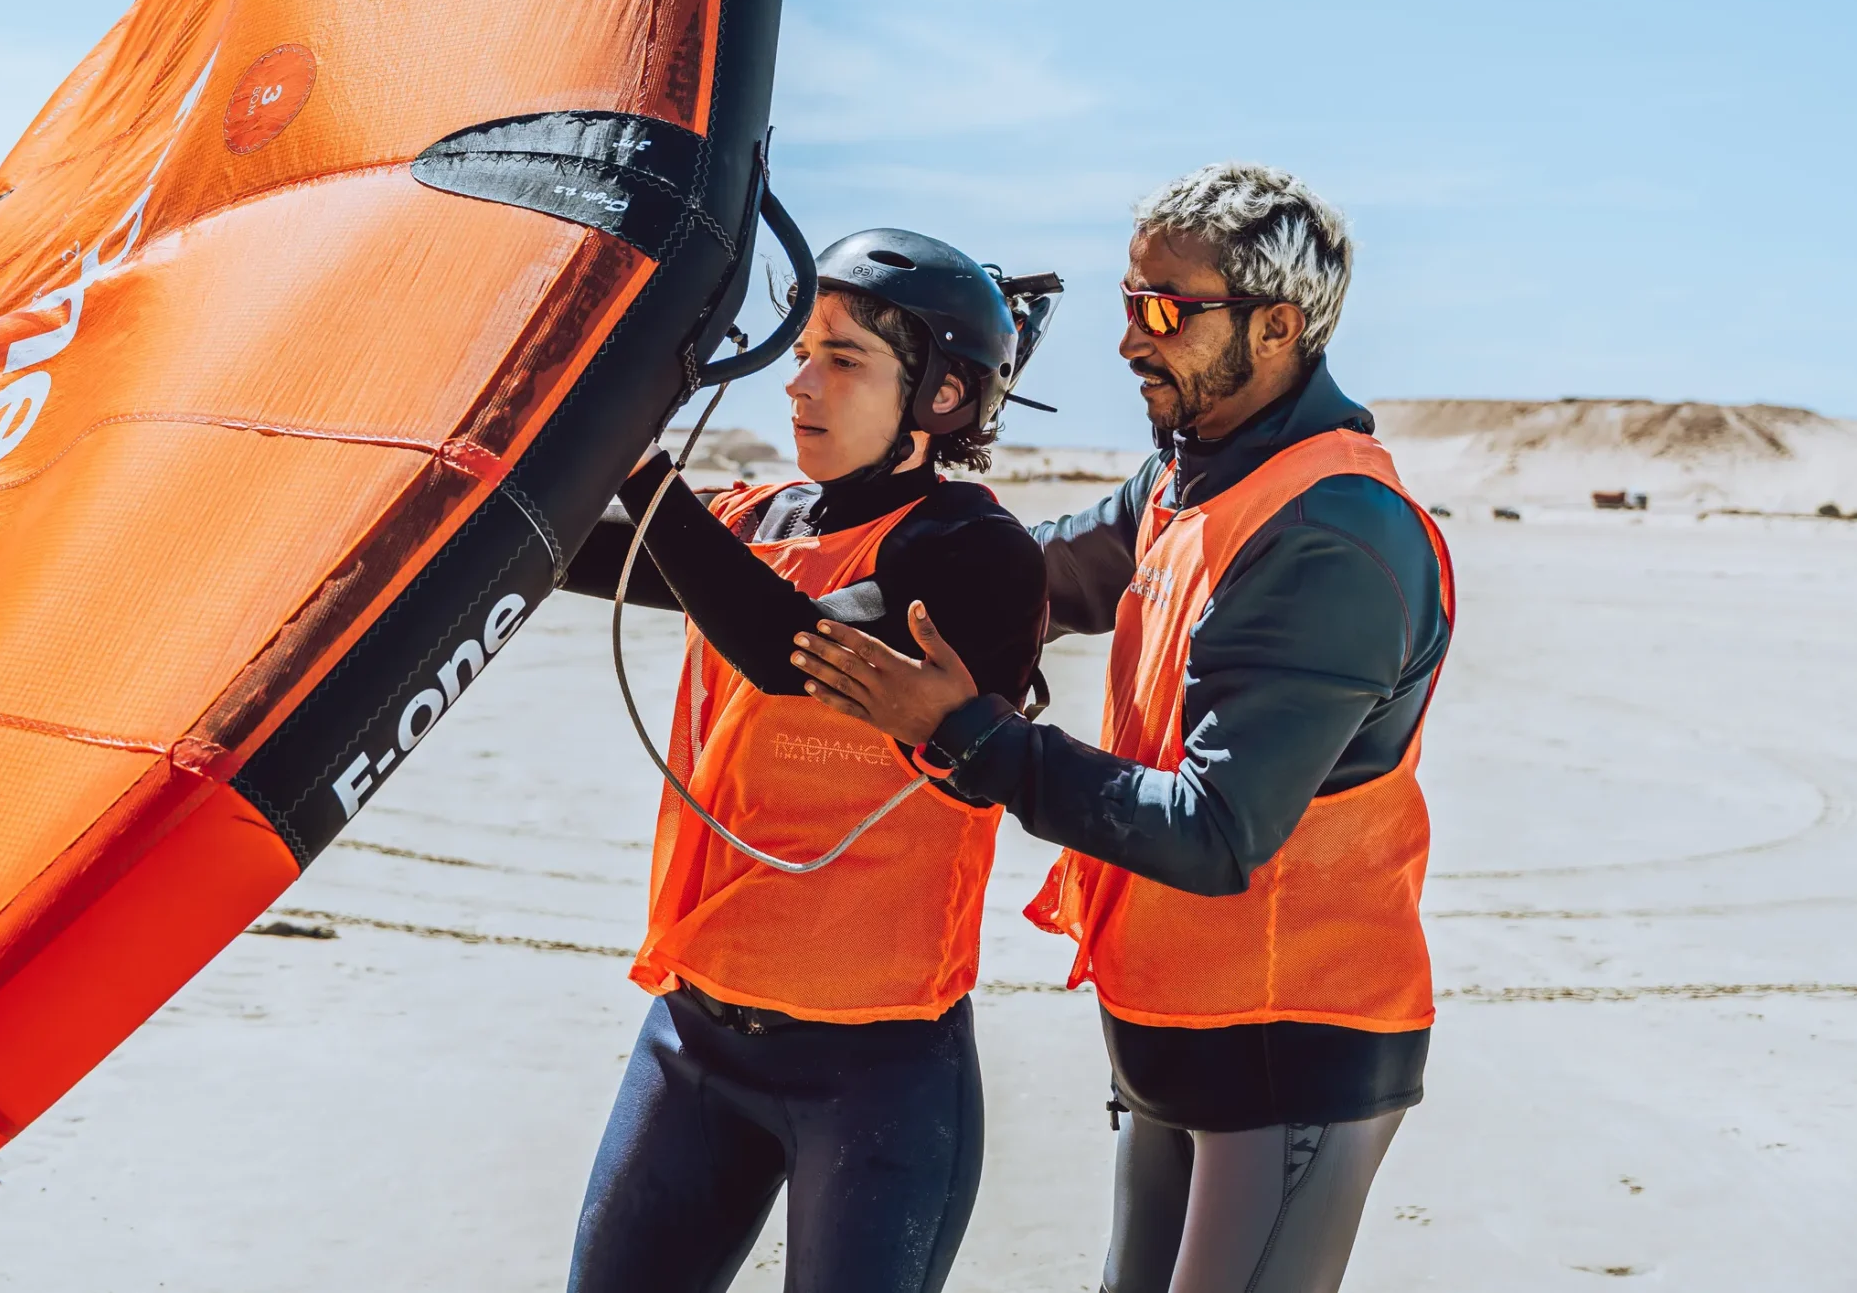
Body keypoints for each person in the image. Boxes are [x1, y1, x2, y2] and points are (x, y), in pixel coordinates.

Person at [790, 164, 1453, 1293]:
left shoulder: (1332, 533)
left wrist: (967, 732)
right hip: (1171, 1028)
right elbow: (1025, 577)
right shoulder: (1185, 482)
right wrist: (807, 569)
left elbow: (1212, 832)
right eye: (1125, 302)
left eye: (1163, 311)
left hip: (1287, 1042)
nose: (1128, 342)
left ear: (1277, 326)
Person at [554, 230, 1056, 1293]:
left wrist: (645, 468)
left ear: (944, 399)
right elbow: (546, 540)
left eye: (842, 357)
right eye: (800, 350)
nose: (797, 383)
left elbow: (792, 649)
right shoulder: (757, 518)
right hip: (692, 1038)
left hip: (875, 1072)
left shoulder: (973, 555)